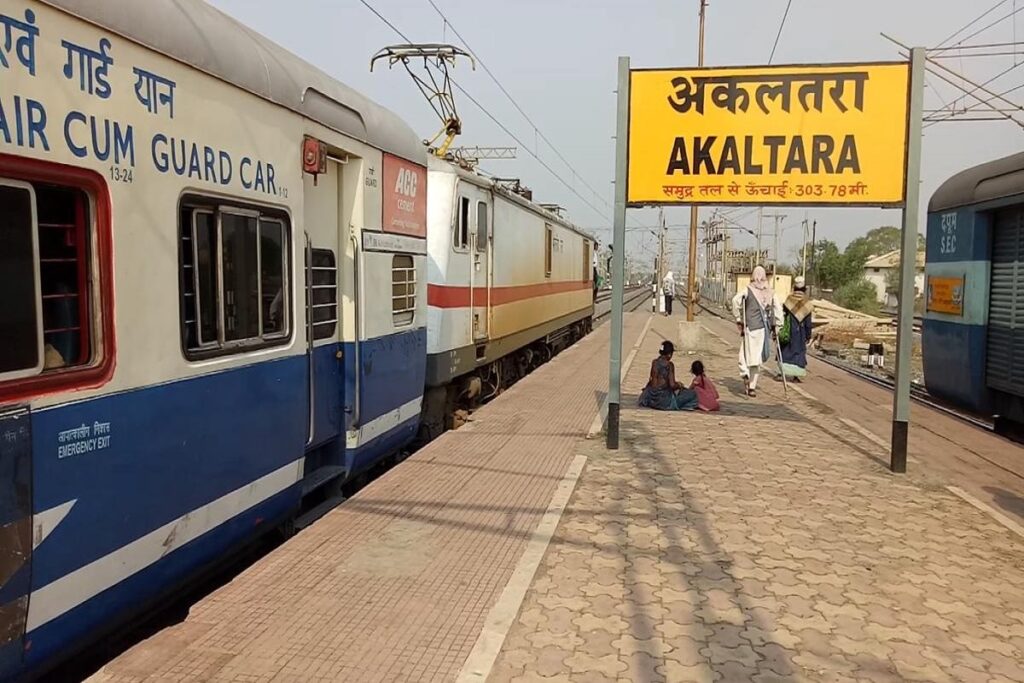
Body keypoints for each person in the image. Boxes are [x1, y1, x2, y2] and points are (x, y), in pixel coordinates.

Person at [731, 266, 784, 398]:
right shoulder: (771, 292)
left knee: (744, 354)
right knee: (756, 359)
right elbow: (778, 309)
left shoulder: (748, 289)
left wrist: (738, 318)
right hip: (763, 330)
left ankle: (745, 373)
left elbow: (735, 301)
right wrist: (778, 326)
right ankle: (752, 387)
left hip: (750, 328)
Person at [639, 341, 698, 410]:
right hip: (664, 400)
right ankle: (683, 406)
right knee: (693, 394)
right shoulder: (669, 365)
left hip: (652, 397)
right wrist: (679, 385)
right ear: (669, 354)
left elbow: (652, 380)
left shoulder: (654, 362)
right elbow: (672, 385)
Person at [780, 275, 814, 382]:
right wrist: (808, 335)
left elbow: (783, 315)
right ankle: (796, 376)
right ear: (804, 289)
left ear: (794, 288)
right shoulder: (807, 304)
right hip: (801, 333)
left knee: (785, 351)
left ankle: (782, 373)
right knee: (798, 353)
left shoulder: (788, 301)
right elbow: (808, 323)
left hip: (789, 331)